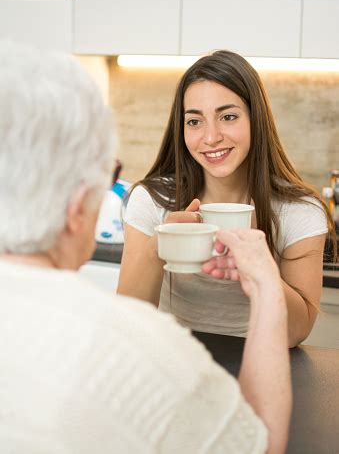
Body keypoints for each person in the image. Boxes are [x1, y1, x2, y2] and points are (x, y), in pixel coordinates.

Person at [0, 42, 291, 453]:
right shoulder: (141, 354)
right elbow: (260, 445)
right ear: (75, 206)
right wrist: (265, 287)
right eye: (108, 173)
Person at [118, 49, 336, 347]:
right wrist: (159, 245)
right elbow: (128, 323)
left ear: (255, 119)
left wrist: (260, 269)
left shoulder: (299, 211)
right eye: (194, 121)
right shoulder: (152, 200)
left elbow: (295, 334)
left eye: (228, 116)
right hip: (177, 366)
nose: (210, 137)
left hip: (264, 369)